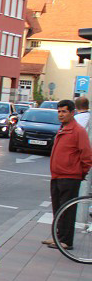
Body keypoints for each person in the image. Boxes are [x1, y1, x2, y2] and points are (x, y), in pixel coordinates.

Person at [45, 99, 92, 250]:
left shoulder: (78, 131)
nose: (60, 114)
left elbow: (87, 156)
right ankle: (57, 237)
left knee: (67, 210)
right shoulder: (62, 128)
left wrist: (79, 172)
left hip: (70, 177)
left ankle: (66, 241)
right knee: (58, 209)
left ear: (72, 113)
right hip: (57, 175)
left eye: (64, 111)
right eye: (59, 111)